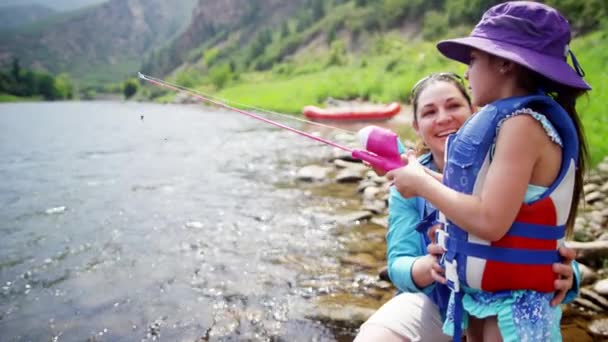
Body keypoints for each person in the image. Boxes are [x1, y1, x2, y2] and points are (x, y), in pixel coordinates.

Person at [385, 2, 590, 341]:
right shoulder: (513, 124)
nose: (466, 73)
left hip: (514, 308)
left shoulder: (522, 125)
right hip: (488, 302)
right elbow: (480, 198)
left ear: (505, 63)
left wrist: (421, 184)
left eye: (473, 60)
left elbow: (490, 221)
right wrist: (414, 176)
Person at [355, 71, 581, 342]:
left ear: (475, 110)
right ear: (416, 126)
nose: (443, 118)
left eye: (453, 106)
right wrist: (428, 267)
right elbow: (397, 264)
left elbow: (537, 232)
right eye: (429, 112)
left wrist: (570, 276)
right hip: (437, 301)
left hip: (499, 300)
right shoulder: (407, 181)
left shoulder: (507, 157)